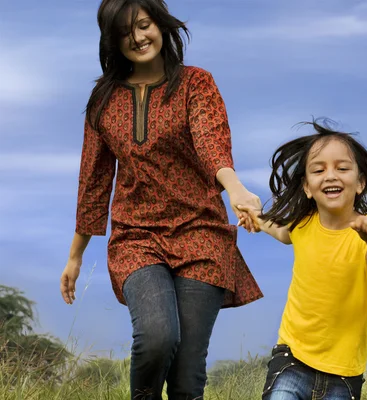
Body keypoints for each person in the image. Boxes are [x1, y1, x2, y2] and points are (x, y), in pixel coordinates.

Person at [59, 0, 263, 398]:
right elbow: (94, 182)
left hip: (201, 235)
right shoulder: (103, 101)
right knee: (156, 337)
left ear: (161, 25)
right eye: (124, 31)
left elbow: (211, 143)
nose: (137, 37)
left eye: (144, 25)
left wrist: (235, 189)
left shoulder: (196, 84)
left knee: (187, 374)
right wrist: (75, 256)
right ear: (111, 41)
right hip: (137, 237)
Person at [237, 119, 367, 400]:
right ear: (308, 187)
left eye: (342, 168)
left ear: (360, 183)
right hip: (292, 358)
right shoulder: (301, 225)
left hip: (344, 373)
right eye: (319, 169)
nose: (331, 175)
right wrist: (254, 216)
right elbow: (278, 230)